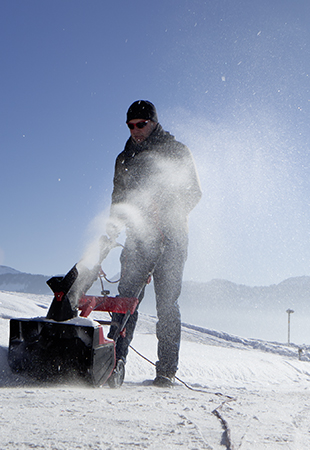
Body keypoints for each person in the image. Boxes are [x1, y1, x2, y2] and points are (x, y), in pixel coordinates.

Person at [106, 100, 201, 387]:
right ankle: (113, 363)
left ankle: (166, 371)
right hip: (138, 238)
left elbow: (193, 193)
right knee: (126, 300)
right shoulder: (124, 158)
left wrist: (167, 208)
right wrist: (111, 231)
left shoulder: (176, 151)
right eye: (130, 126)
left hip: (172, 238)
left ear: (154, 122)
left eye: (141, 124)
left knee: (167, 304)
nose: (135, 130)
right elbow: (119, 200)